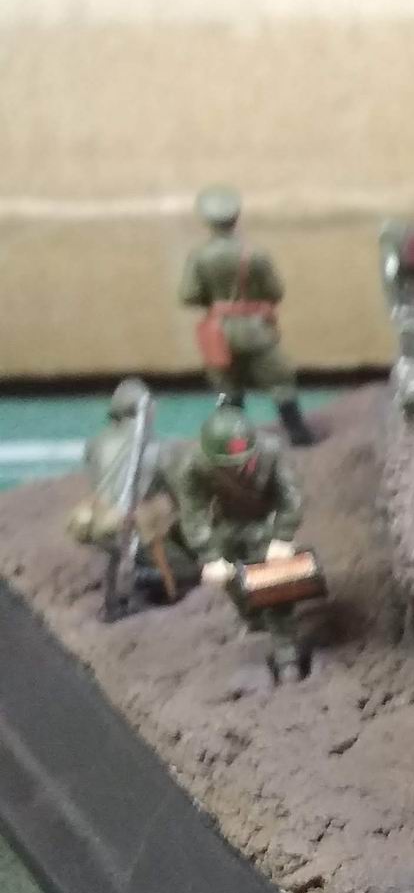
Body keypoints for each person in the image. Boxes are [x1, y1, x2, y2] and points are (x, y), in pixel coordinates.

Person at [175, 406, 311, 677]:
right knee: (232, 578)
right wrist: (210, 555)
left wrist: (282, 537)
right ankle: (252, 617)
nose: (237, 468)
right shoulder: (194, 465)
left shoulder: (271, 452)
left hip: (265, 524)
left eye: (242, 461)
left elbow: (291, 498)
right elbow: (194, 513)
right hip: (227, 524)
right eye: (228, 465)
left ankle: (286, 651)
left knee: (272, 584)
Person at [179, 184, 315, 445]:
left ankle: (230, 440)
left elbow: (188, 295)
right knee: (281, 381)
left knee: (227, 388)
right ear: (236, 217)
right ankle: (298, 434)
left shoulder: (199, 257)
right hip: (256, 330)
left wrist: (216, 301)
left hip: (219, 333)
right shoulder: (256, 254)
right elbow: (275, 292)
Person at [63, 379, 196, 609]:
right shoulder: (160, 447)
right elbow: (180, 499)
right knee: (188, 569)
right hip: (132, 530)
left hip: (98, 523)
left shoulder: (95, 444)